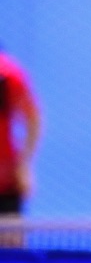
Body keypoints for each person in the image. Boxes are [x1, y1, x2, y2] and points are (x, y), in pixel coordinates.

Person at [0, 45, 42, 215]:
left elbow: (33, 118)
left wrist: (24, 165)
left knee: (11, 239)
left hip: (5, 183)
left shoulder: (9, 74)